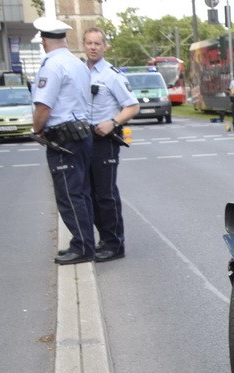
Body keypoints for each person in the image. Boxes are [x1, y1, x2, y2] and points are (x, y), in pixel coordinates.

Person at [31, 17, 95, 265]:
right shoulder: (76, 63)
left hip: (63, 138)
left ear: (44, 41)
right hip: (81, 133)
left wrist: (37, 130)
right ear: (64, 39)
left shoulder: (51, 66)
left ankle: (82, 246)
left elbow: (44, 106)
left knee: (69, 195)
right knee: (81, 193)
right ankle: (84, 242)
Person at [83, 27, 139, 262]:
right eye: (89, 43)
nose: (93, 47)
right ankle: (103, 239)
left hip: (104, 139)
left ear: (105, 46)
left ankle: (115, 244)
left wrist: (112, 122)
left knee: (105, 194)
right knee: (89, 194)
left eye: (98, 43)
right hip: (83, 139)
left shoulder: (111, 75)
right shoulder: (79, 72)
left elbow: (133, 106)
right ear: (83, 45)